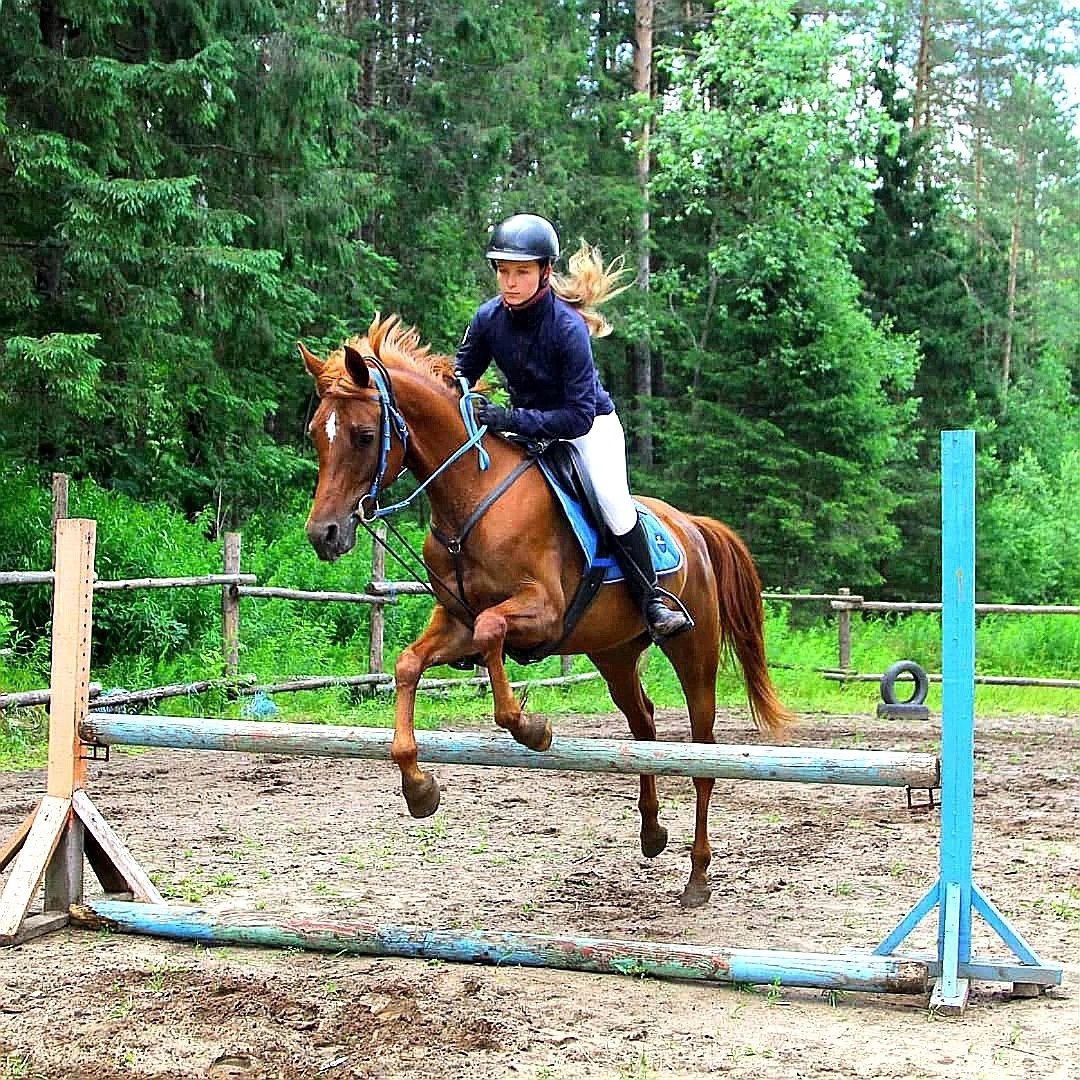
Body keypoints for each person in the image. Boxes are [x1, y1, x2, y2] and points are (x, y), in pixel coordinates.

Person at [454, 212, 691, 641]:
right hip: (527, 430)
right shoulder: (488, 319)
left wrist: (507, 418)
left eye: (521, 272)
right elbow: (462, 372)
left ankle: (652, 601)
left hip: (587, 430)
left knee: (613, 504)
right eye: (503, 272)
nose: (509, 282)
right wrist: (464, 401)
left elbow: (577, 416)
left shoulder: (567, 328)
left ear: (545, 272)